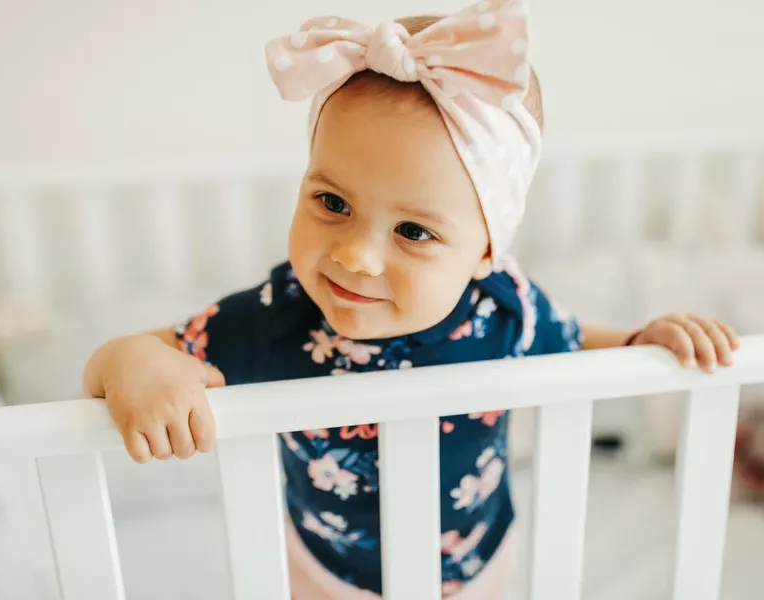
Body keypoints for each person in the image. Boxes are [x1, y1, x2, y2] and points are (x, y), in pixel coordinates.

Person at [83, 2, 739, 597]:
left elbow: (573, 342)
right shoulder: (275, 316)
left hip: (475, 563)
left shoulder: (500, 308)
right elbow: (146, 354)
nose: (354, 256)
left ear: (486, 252)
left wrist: (639, 344)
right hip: (325, 571)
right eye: (332, 203)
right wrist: (130, 360)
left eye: (414, 230)